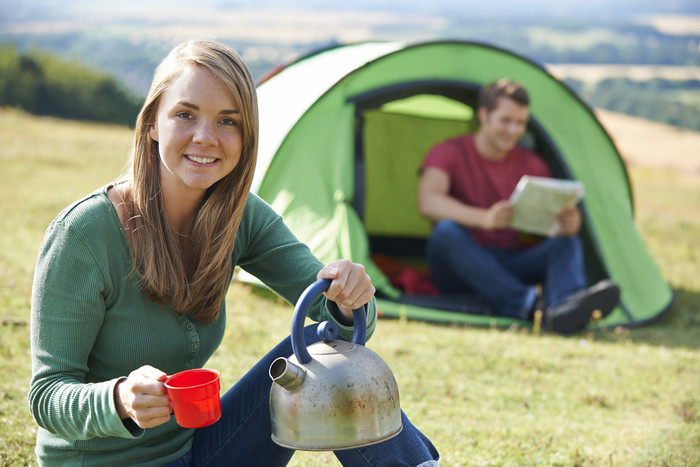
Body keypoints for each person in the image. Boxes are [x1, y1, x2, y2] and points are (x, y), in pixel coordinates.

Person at [28, 40, 439, 466]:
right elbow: (46, 395)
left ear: (246, 137)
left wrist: (351, 299)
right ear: (152, 123)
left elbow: (339, 317)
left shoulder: (239, 217)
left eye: (228, 121)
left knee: (320, 348)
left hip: (197, 454)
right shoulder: (83, 234)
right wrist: (117, 399)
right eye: (185, 114)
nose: (205, 137)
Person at [418, 78, 619, 334]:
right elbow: (428, 202)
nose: (513, 130)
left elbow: (552, 218)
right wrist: (483, 219)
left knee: (567, 243)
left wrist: (568, 224)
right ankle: (530, 306)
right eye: (506, 121)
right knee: (445, 232)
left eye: (521, 123)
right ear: (484, 115)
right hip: (458, 266)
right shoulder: (447, 151)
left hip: (508, 263)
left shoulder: (533, 164)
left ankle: (564, 308)